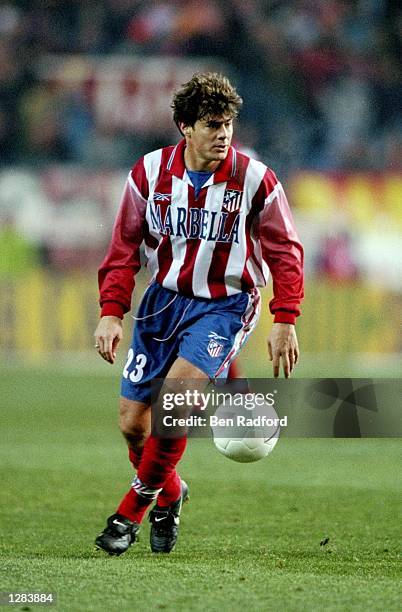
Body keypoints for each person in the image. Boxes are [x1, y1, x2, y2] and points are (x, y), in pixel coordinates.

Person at [93, 72, 304, 556]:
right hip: (162, 304)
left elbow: (286, 253)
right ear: (185, 127)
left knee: (176, 401)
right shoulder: (148, 174)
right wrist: (111, 312)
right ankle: (170, 493)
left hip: (227, 305)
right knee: (132, 423)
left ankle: (130, 513)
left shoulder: (255, 180)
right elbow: (125, 246)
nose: (224, 133)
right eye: (212, 124)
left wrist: (285, 319)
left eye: (228, 123)